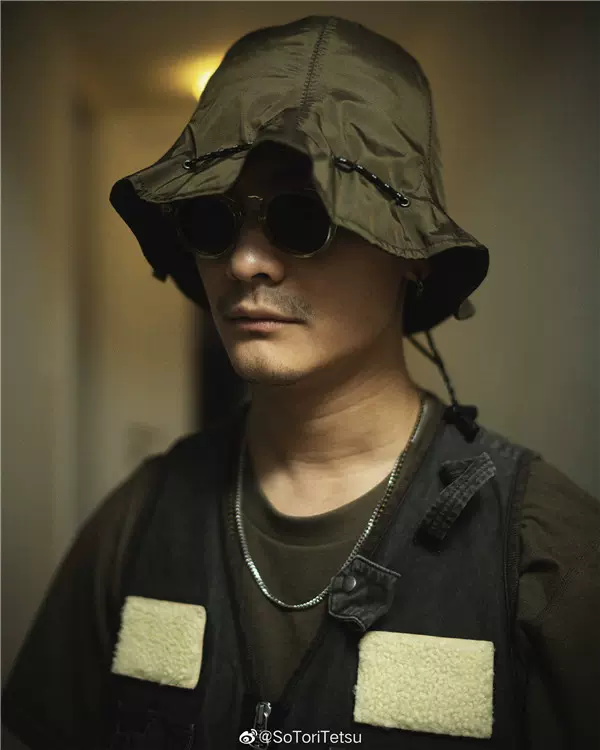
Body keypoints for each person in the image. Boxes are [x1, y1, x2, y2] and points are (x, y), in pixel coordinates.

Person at [2, 15, 599, 750]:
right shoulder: (138, 522)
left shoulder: (543, 552)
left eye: (303, 216)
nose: (244, 263)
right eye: (212, 221)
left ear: (410, 253)